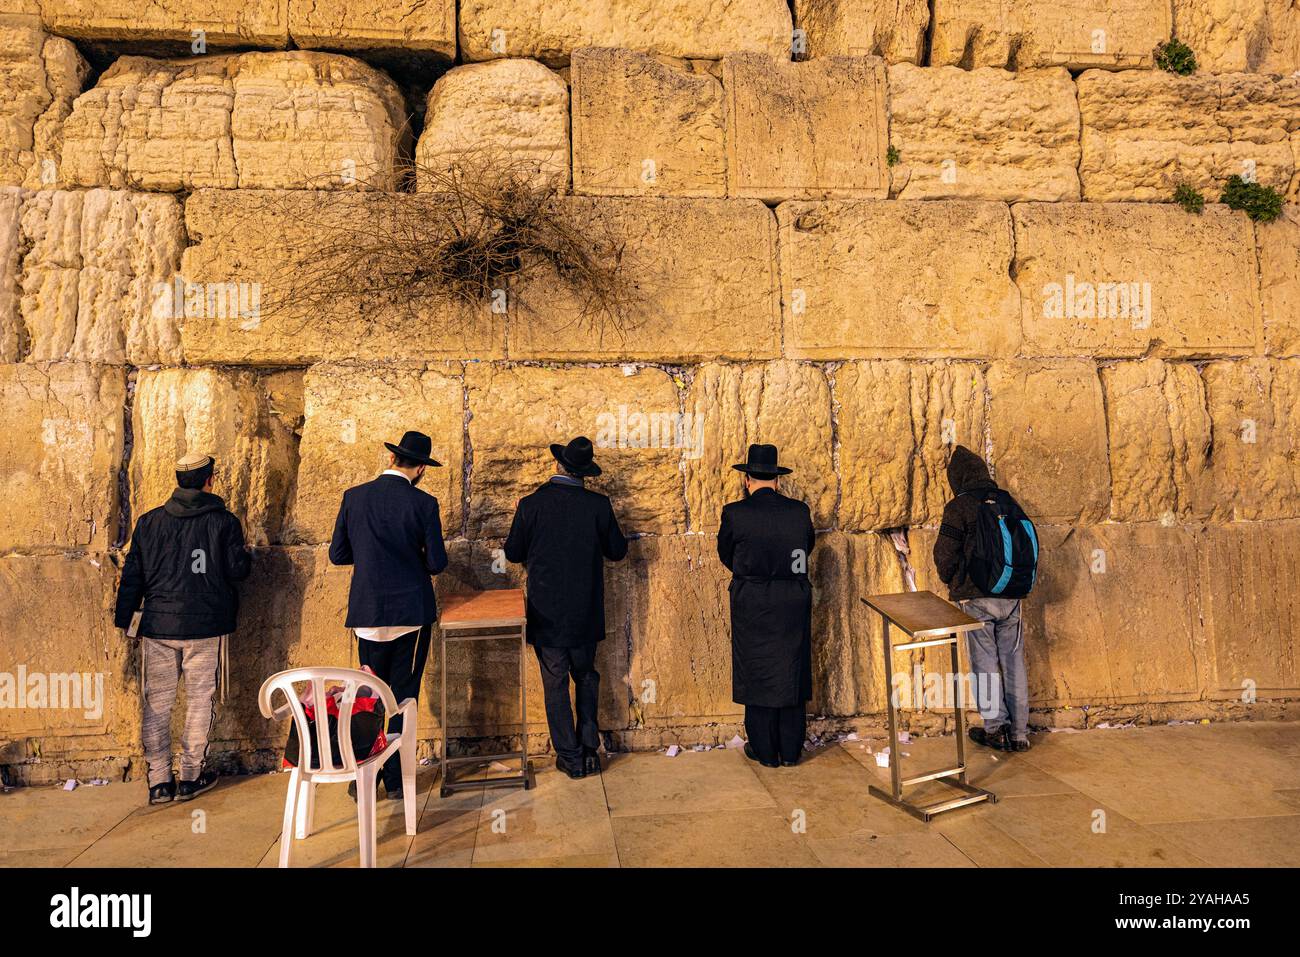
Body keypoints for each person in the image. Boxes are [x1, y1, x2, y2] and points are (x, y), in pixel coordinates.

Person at [114, 452, 251, 805]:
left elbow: (133, 576)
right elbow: (238, 571)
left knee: (156, 704)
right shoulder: (224, 522)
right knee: (198, 701)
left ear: (178, 481)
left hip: (158, 626)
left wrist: (124, 619)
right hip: (205, 626)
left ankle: (159, 781)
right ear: (210, 481)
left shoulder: (149, 522)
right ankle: (190, 777)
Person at [329, 430, 448, 799]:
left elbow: (337, 554)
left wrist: (369, 558)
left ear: (393, 459)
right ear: (421, 469)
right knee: (403, 696)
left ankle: (363, 775)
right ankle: (395, 779)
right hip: (410, 614)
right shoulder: (424, 504)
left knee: (368, 695)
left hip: (367, 615)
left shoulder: (354, 497)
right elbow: (437, 562)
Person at [504, 436, 628, 780]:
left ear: (558, 465)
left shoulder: (531, 505)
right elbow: (617, 551)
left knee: (555, 682)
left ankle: (571, 758)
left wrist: (521, 516)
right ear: (585, 473)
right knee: (586, 675)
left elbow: (513, 553)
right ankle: (590, 751)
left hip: (547, 615)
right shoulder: (598, 505)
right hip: (585, 613)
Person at [717, 444, 815, 769]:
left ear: (747, 479)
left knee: (756, 671)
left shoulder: (735, 513)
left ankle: (764, 751)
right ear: (777, 479)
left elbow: (726, 555)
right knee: (791, 669)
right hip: (793, 601)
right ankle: (790, 751)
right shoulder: (799, 512)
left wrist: (751, 573)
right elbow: (805, 550)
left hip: (752, 602)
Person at [933, 444, 1031, 753]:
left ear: (958, 479)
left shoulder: (960, 506)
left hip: (976, 597)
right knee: (1015, 661)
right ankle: (1019, 734)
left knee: (984, 663)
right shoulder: (1007, 500)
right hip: (1012, 594)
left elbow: (944, 555)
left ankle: (994, 729)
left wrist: (953, 580)